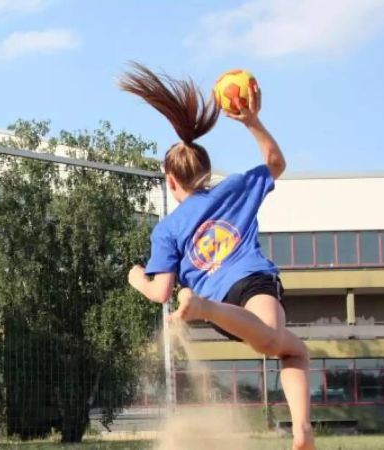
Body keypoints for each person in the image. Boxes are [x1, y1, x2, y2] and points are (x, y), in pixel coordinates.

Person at [119, 63, 315, 450]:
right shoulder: (237, 187)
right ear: (207, 172)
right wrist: (252, 122)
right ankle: (302, 429)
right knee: (284, 346)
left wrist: (136, 278)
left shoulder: (167, 229)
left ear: (170, 181)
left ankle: (302, 434)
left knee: (283, 345)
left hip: (223, 305)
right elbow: (276, 164)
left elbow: (161, 293)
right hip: (254, 281)